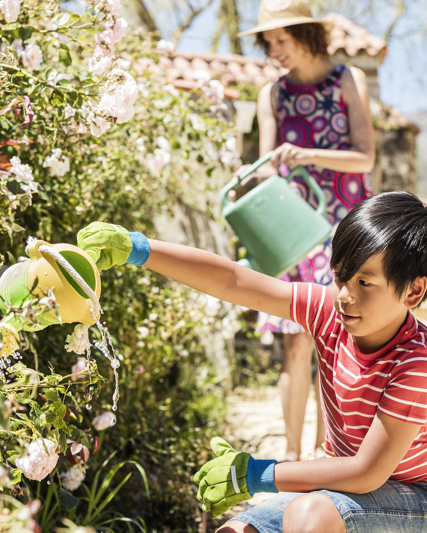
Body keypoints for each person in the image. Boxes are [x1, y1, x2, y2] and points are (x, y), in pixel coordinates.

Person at [79, 189, 427, 533]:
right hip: (342, 486)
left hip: (414, 498)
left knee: (310, 518)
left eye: (365, 282)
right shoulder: (328, 311)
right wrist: (140, 249)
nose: (346, 296)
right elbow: (233, 280)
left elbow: (367, 471)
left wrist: (254, 475)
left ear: (413, 291)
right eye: (340, 276)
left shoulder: (416, 364)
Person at [233, 0, 375, 461]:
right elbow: (269, 167)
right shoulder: (270, 94)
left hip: (346, 225)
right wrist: (253, 178)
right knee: (297, 338)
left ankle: (327, 454)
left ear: (307, 35)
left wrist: (309, 154)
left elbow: (366, 157)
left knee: (337, 339)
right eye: (268, 42)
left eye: (282, 39)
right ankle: (292, 457)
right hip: (294, 228)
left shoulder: (349, 80)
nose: (274, 50)